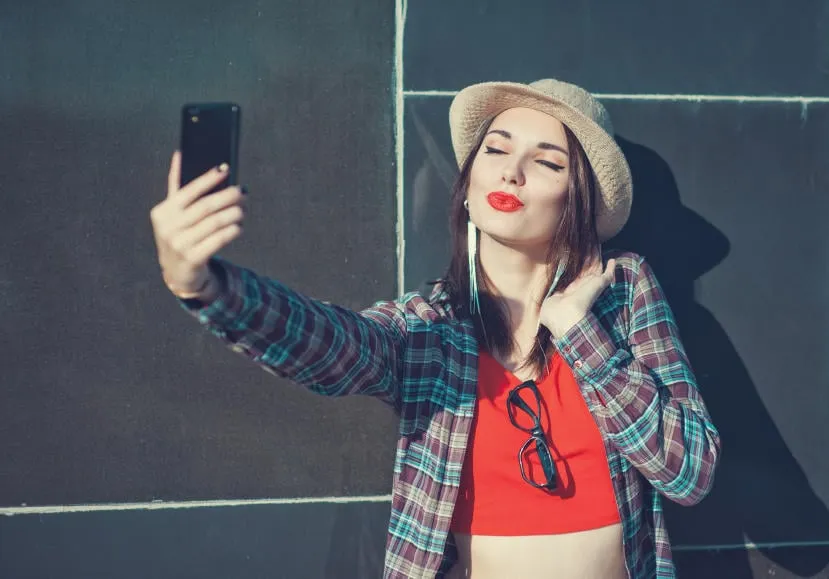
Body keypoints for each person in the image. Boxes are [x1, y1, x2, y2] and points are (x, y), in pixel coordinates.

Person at [150, 78, 721, 579]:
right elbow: (330, 343)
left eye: (548, 162)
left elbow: (689, 472)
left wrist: (579, 333)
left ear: (582, 199)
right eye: (495, 149)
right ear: (468, 185)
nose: (512, 171)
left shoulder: (622, 291)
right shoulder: (429, 327)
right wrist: (207, 286)